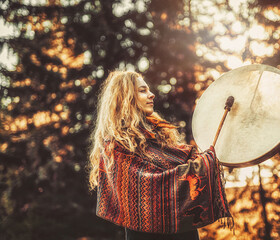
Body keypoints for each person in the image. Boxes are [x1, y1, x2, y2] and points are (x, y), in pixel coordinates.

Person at [87, 70, 233, 240]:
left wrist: (203, 162)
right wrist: (201, 166)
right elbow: (152, 185)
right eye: (142, 91)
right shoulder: (116, 146)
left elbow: (183, 168)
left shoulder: (161, 136)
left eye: (148, 90)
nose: (152, 95)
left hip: (185, 232)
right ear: (125, 97)